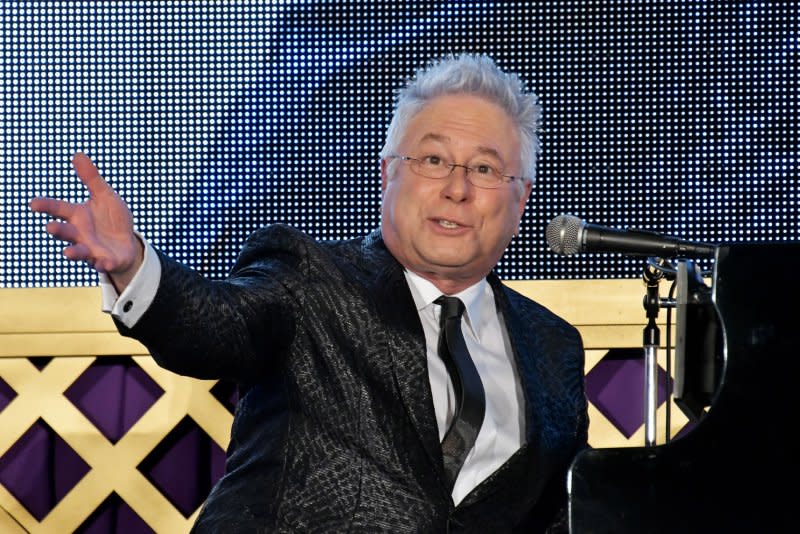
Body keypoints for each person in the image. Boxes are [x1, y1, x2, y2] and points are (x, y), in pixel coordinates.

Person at [30, 53, 588, 533]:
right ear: (388, 173)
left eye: (486, 168)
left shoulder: (553, 348)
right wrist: (137, 269)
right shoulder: (308, 278)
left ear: (520, 201)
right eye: (434, 159)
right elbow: (215, 324)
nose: (458, 188)